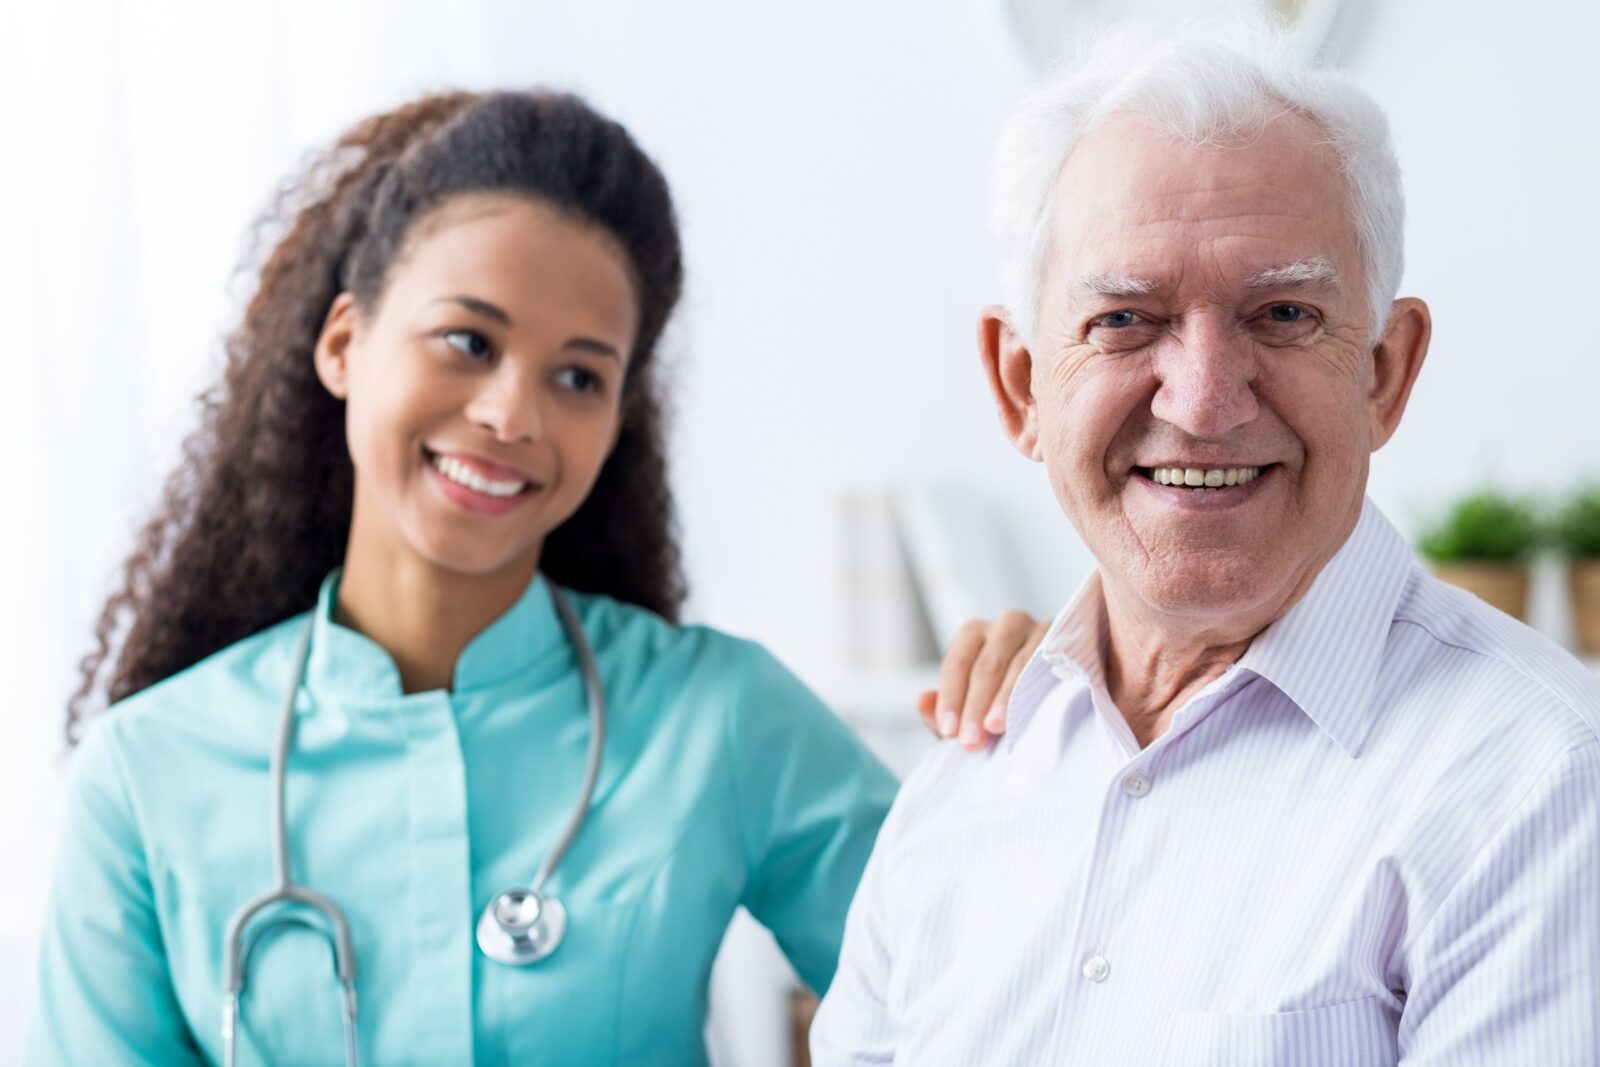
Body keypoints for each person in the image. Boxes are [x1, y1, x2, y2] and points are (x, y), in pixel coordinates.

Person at [26, 90, 1038, 1066]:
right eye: (468, 340)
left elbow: (1001, 998)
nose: (513, 412)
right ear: (343, 343)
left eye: (578, 375)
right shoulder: (146, 773)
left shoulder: (717, 718)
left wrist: (1048, 737)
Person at [813, 21, 1600, 1065]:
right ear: (1020, 385)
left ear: (1383, 372)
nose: (1203, 400)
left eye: (1280, 312)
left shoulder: (1542, 789)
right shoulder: (959, 789)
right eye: (1125, 320)